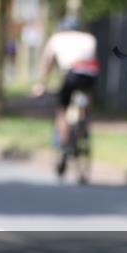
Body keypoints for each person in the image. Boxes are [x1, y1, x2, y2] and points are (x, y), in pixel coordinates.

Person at [33, 15, 99, 174]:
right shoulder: (89, 38)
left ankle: (63, 145)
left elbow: (47, 63)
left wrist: (41, 84)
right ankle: (84, 120)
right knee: (85, 96)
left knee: (62, 109)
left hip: (72, 73)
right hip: (90, 73)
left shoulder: (57, 38)